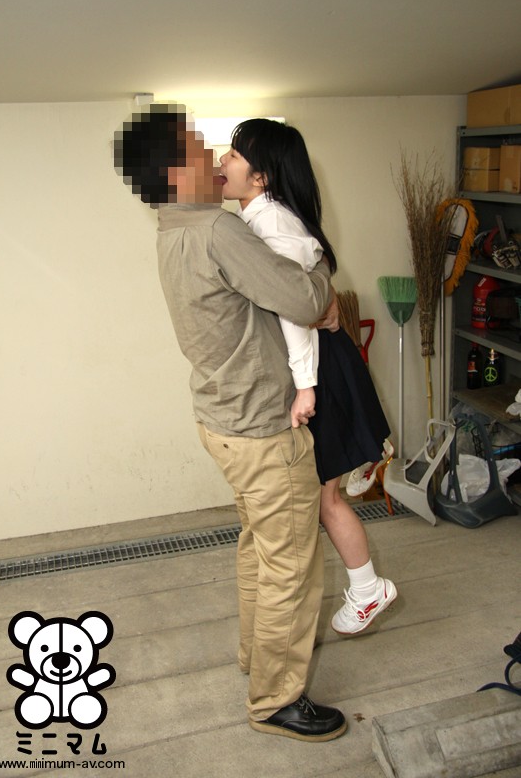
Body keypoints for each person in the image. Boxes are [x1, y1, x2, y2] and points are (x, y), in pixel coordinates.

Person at [113, 104, 347, 742]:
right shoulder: (218, 229)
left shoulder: (171, 230)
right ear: (174, 169)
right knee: (291, 565)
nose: (216, 157)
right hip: (263, 426)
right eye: (200, 146)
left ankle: (256, 658)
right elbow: (305, 297)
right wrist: (321, 273)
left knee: (260, 548)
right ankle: (275, 701)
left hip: (221, 419)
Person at [219, 118, 397, 636]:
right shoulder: (258, 218)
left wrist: (305, 386)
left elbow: (297, 310)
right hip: (317, 365)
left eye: (234, 154)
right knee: (322, 496)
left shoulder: (272, 223)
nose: (223, 161)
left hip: (320, 368)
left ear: (262, 177)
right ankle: (365, 588)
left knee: (324, 496)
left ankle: (367, 589)